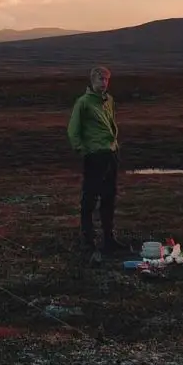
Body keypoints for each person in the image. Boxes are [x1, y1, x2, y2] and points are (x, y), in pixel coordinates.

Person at [67, 65, 128, 255]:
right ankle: (88, 240)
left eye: (106, 79)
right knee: (90, 198)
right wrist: (83, 150)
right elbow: (73, 130)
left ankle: (109, 239)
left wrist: (114, 145)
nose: (104, 83)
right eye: (100, 79)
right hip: (94, 155)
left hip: (111, 154)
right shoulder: (83, 103)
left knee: (109, 197)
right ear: (92, 81)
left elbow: (111, 124)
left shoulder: (109, 100)